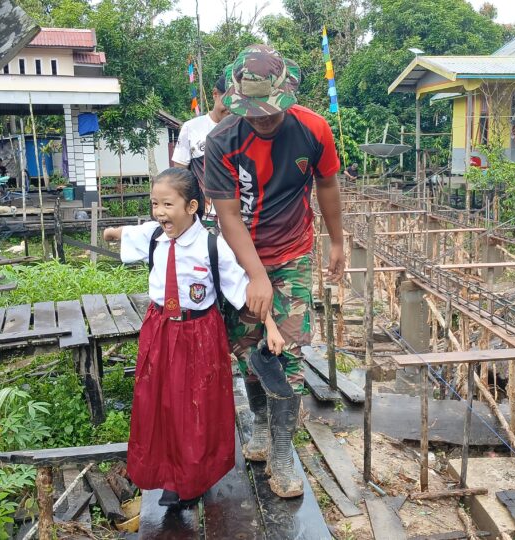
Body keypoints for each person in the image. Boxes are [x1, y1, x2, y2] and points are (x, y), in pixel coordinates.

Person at [205, 44, 345, 498]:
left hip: (293, 252)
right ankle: (261, 426)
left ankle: (283, 451)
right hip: (240, 258)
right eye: (253, 112)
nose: (262, 119)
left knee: (288, 353)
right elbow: (227, 216)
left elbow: (326, 182)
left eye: (270, 111)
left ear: (288, 94)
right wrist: (254, 276)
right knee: (249, 349)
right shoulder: (222, 141)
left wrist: (338, 240)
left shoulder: (313, 130)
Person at [103, 167, 285, 508]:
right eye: (154, 203)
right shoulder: (156, 236)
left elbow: (246, 289)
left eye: (167, 204)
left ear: (191, 207)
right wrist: (112, 232)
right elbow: (131, 232)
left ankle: (193, 477)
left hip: (198, 333)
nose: (159, 212)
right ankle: (169, 475)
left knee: (196, 407)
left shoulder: (212, 246)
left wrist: (271, 327)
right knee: (159, 403)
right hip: (159, 330)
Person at [172, 75, 229, 224]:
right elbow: (179, 176)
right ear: (215, 94)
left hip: (239, 215)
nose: (230, 108)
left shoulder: (243, 128)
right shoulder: (191, 128)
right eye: (227, 101)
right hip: (204, 217)